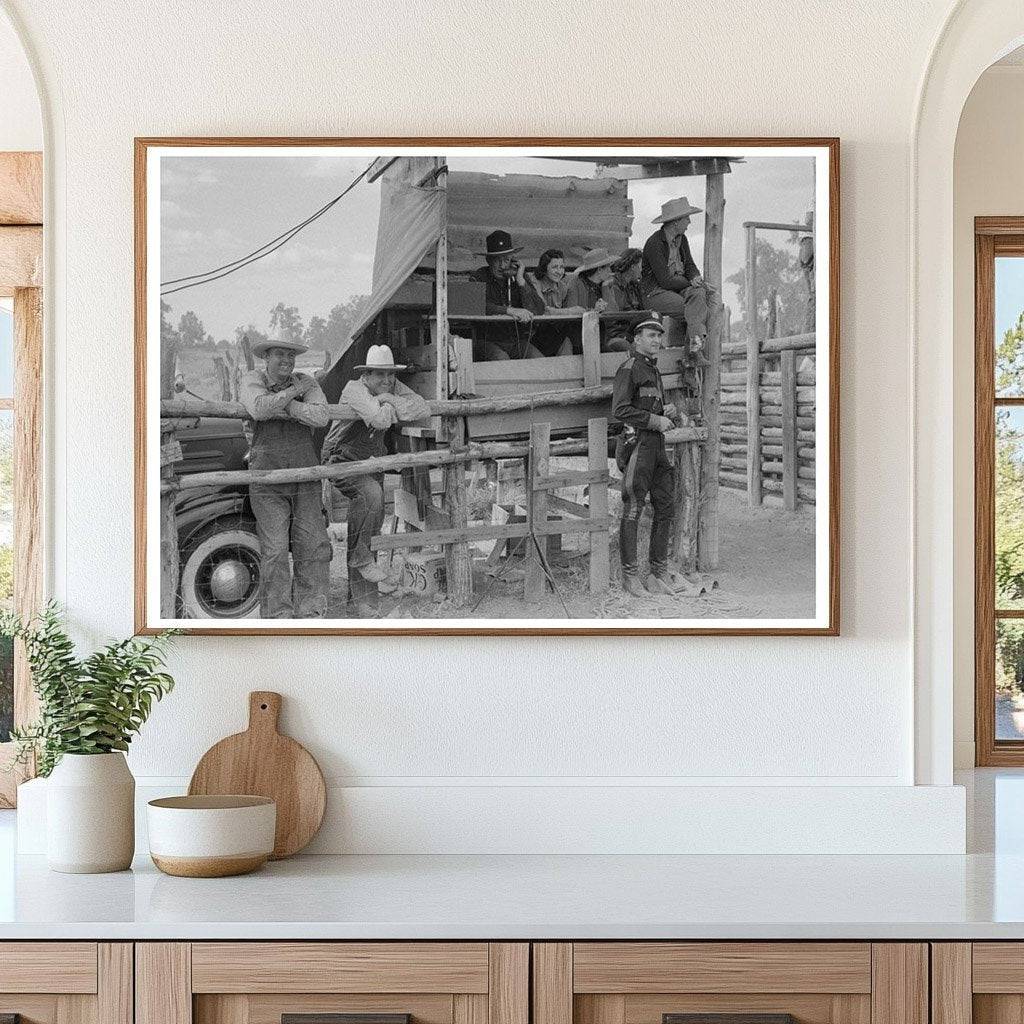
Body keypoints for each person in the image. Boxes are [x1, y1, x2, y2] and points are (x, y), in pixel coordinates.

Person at [321, 344, 430, 614]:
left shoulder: (389, 388)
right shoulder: (353, 390)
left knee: (369, 521)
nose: (386, 380)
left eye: (390, 375)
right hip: (341, 458)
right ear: (366, 375)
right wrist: (390, 407)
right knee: (370, 496)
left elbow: (422, 408)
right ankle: (362, 567)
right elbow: (381, 421)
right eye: (379, 375)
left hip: (370, 461)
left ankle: (360, 603)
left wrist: (390, 399)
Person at [240, 335, 332, 618]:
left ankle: (312, 612)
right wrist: (293, 395)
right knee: (276, 550)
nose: (287, 361)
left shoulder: (307, 381)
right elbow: (259, 408)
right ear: (266, 357)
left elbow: (321, 417)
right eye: (280, 354)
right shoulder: (252, 380)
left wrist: (286, 406)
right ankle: (278, 616)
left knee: (313, 544)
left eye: (291, 356)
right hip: (268, 479)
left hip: (305, 475)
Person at [612, 312, 698, 599]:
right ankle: (630, 578)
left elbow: (650, 408)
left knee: (666, 506)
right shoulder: (629, 368)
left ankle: (658, 573)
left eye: (659, 335)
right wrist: (654, 420)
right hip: (637, 445)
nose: (657, 340)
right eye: (651, 335)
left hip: (658, 445)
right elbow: (620, 410)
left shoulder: (654, 370)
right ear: (637, 339)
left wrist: (666, 412)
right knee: (633, 508)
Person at [641, 197, 711, 346]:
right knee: (693, 310)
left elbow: (690, 265)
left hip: (677, 289)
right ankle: (693, 350)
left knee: (699, 294)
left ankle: (693, 348)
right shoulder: (654, 243)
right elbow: (665, 281)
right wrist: (690, 282)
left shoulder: (682, 239)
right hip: (655, 293)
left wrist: (695, 277)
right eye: (687, 218)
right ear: (676, 222)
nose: (689, 223)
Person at [471, 229, 545, 360]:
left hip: (517, 342)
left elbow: (539, 309)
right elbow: (476, 306)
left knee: (539, 360)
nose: (502, 265)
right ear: (488, 260)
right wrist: (510, 310)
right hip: (488, 341)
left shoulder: (519, 276)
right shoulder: (479, 276)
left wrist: (521, 281)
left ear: (513, 260)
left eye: (506, 260)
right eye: (496, 260)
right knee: (502, 359)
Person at [563, 247, 618, 313]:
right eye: (608, 267)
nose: (610, 270)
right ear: (599, 270)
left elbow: (613, 314)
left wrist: (605, 287)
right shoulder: (575, 284)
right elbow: (572, 313)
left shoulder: (605, 285)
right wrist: (594, 311)